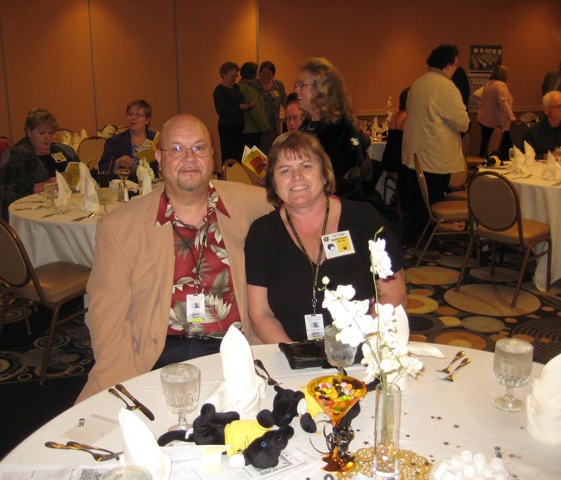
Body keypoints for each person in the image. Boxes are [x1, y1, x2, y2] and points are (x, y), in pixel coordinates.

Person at [76, 113, 271, 402]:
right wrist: (130, 392)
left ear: (212, 156)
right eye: (177, 149)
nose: (189, 158)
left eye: (199, 148)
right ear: (159, 157)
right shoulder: (120, 227)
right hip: (158, 357)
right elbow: (108, 323)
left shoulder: (252, 204)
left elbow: (305, 203)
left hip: (237, 353)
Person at [245, 131, 406, 343]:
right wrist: (294, 355)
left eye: (306, 166)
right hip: (291, 353)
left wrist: (365, 345)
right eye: (285, 170)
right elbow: (260, 314)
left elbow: (393, 293)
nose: (296, 176)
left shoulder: (363, 219)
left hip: (364, 346)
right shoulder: (262, 233)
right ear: (274, 183)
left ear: (324, 174)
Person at [400, 44, 470, 247]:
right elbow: (462, 122)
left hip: (417, 153)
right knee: (432, 200)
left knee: (418, 202)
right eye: (455, 64)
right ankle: (426, 240)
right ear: (448, 64)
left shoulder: (419, 83)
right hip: (435, 154)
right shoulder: (446, 87)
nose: (456, 68)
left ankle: (413, 237)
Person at [296, 58, 371, 200]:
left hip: (334, 205)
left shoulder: (340, 129)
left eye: (301, 85)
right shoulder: (307, 125)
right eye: (297, 85)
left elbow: (349, 180)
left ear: (320, 90)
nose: (296, 90)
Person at [0, 108, 78, 218]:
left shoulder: (63, 151)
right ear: (29, 132)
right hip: (34, 214)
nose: (47, 137)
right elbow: (8, 191)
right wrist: (44, 186)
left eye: (50, 133)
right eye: (42, 133)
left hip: (69, 208)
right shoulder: (18, 155)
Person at [97, 99, 158, 181]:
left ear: (147, 120)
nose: (133, 118)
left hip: (154, 185)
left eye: (138, 115)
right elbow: (102, 170)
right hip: (125, 186)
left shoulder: (156, 139)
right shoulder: (114, 142)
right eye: (130, 114)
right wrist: (117, 163)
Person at [213, 62, 253, 162]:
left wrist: (248, 105)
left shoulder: (236, 87)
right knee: (229, 154)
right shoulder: (219, 91)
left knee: (239, 154)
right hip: (227, 128)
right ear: (224, 75)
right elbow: (221, 111)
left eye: (236, 76)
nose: (235, 78)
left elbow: (240, 103)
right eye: (232, 76)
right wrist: (239, 107)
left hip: (239, 126)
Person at [476, 65, 516, 157]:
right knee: (505, 147)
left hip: (485, 121)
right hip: (498, 123)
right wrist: (511, 117)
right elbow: (504, 102)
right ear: (504, 75)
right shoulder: (501, 86)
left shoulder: (489, 84)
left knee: (485, 144)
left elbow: (476, 94)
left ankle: (483, 161)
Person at [523, 91, 561, 158]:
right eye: (559, 106)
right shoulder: (534, 131)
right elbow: (524, 156)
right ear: (546, 110)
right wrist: (545, 156)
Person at [256, 61, 287, 153]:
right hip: (259, 128)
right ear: (260, 73)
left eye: (269, 73)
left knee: (274, 152)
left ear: (273, 75)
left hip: (274, 127)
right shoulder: (254, 86)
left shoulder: (278, 85)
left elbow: (285, 101)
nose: (266, 75)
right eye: (263, 73)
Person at [238, 62, 269, 150]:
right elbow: (255, 112)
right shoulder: (248, 90)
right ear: (253, 74)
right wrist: (266, 128)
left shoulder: (241, 86)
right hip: (251, 130)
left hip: (246, 129)